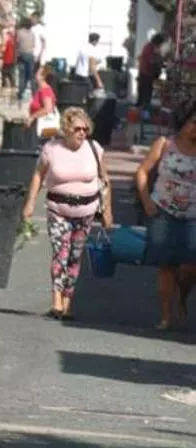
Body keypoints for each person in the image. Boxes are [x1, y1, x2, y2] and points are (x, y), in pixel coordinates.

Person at [22, 107, 113, 319]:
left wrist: (108, 210)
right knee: (61, 252)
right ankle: (57, 300)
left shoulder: (94, 149)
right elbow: (38, 176)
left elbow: (105, 180)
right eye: (77, 129)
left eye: (85, 129)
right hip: (58, 209)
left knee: (75, 256)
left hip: (86, 210)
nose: (82, 133)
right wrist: (30, 203)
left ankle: (68, 300)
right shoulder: (51, 149)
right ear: (66, 129)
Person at [134, 101, 196, 330]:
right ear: (184, 122)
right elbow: (142, 171)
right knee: (166, 265)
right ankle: (166, 315)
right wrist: (147, 202)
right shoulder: (164, 144)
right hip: (162, 211)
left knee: (190, 266)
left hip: (193, 216)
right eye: (194, 123)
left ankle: (182, 298)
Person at [25, 65, 58, 139]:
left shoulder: (45, 90)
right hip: (38, 126)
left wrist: (32, 117)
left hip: (42, 126)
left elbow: (48, 108)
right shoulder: (41, 89)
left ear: (42, 77)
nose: (35, 75)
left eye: (37, 73)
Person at [137, 33, 167, 108]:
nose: (160, 46)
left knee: (146, 90)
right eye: (160, 44)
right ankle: (143, 107)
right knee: (145, 91)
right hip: (145, 72)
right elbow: (151, 60)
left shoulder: (151, 47)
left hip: (146, 72)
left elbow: (154, 59)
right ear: (157, 42)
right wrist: (160, 62)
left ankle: (143, 106)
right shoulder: (149, 47)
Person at [15, 18, 37, 104]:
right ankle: (34, 94)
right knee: (31, 76)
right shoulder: (32, 33)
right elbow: (34, 45)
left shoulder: (19, 32)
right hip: (30, 55)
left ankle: (21, 92)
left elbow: (17, 44)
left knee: (22, 75)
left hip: (22, 55)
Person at [1, 23, 17, 101]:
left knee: (4, 75)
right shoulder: (14, 39)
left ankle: (3, 93)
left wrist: (0, 50)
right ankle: (13, 93)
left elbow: (3, 49)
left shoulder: (8, 39)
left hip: (7, 59)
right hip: (12, 60)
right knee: (11, 76)